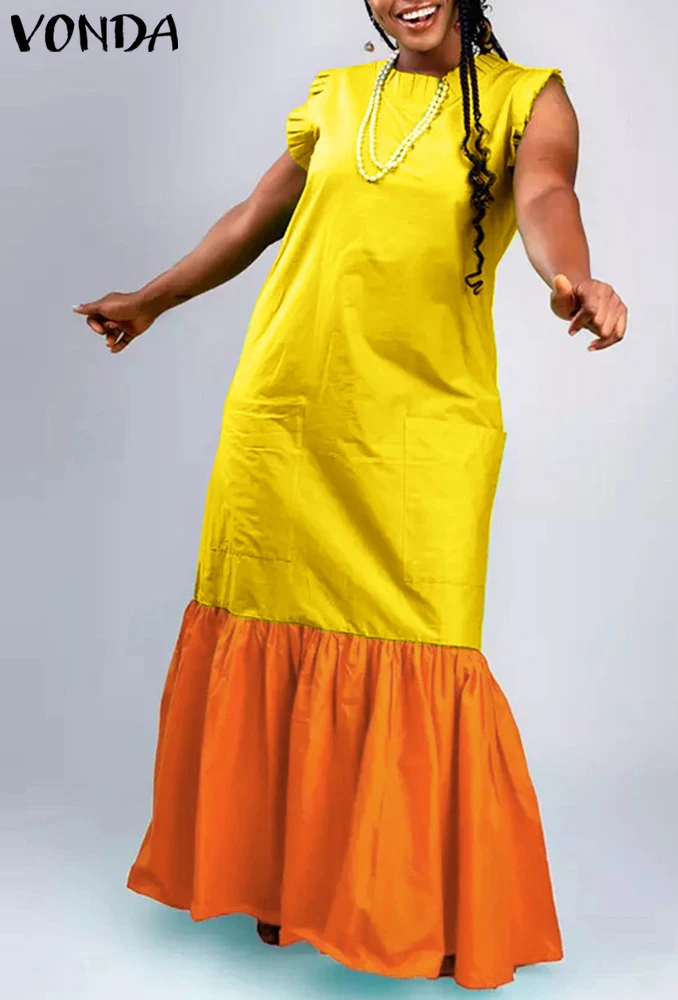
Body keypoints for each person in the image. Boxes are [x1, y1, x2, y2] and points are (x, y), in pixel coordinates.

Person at [74, 0, 627, 990]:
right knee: (275, 624)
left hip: (422, 426)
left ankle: (416, 912)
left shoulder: (525, 98)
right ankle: (282, 884)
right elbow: (253, 222)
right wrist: (150, 300)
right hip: (286, 412)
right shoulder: (337, 98)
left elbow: (547, 194)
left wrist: (576, 277)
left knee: (423, 645)